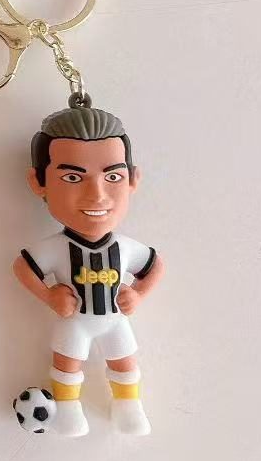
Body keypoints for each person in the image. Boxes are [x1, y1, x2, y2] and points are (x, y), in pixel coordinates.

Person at [13, 103, 165, 436]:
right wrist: (48, 296)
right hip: (76, 322)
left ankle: (128, 405)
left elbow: (155, 266)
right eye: (72, 177)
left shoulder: (125, 247)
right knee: (67, 364)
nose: (96, 195)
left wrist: (138, 295)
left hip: (115, 320)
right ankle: (68, 410)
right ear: (38, 182)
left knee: (125, 362)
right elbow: (23, 267)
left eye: (113, 176)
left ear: (133, 179)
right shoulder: (55, 248)